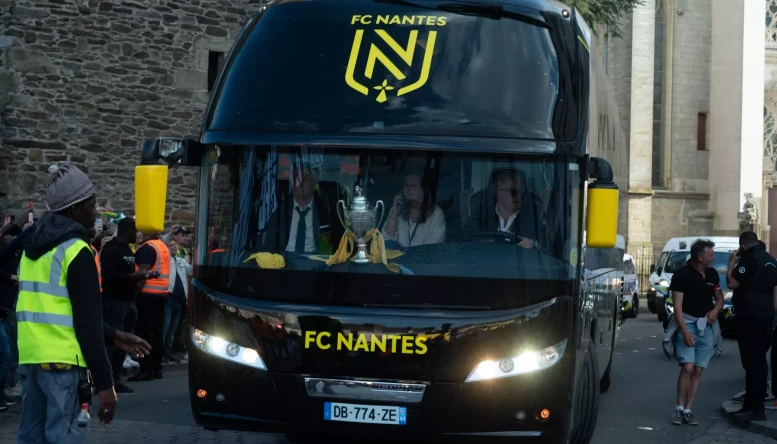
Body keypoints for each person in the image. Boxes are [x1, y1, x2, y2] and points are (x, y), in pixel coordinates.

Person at [15, 164, 115, 443]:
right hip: (63, 365)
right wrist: (106, 384)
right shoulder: (76, 251)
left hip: (31, 360)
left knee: (30, 438)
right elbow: (87, 324)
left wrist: (116, 335)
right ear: (74, 210)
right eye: (92, 205)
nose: (95, 212)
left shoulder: (31, 249)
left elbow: (56, 309)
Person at [666, 239, 724, 426]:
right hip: (688, 323)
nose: (713, 258)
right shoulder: (682, 275)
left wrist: (715, 311)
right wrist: (684, 331)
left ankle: (688, 410)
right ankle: (678, 408)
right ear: (700, 257)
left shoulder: (712, 274)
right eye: (710, 255)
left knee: (698, 370)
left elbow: (719, 298)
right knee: (687, 367)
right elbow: (677, 306)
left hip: (705, 326)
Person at [725, 231, 777, 421]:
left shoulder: (749, 259)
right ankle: (756, 404)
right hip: (767, 315)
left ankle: (754, 408)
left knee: (751, 363)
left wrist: (732, 262)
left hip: (750, 314)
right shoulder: (772, 261)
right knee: (760, 362)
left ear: (743, 246)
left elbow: (731, 283)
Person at [100, 217, 151, 393]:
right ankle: (105, 380)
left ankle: (116, 377)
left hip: (129, 301)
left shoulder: (129, 251)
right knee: (113, 341)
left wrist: (142, 277)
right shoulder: (111, 250)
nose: (137, 235)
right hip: (114, 301)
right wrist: (132, 277)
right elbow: (108, 277)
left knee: (126, 339)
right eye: (135, 231)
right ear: (128, 230)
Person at [258, 164, 343, 255]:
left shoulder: (325, 208)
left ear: (314, 183)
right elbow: (266, 244)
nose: (300, 184)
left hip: (316, 264)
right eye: (297, 178)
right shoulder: (280, 209)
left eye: (305, 179)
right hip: (284, 263)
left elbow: (338, 243)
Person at [470, 169, 543, 249]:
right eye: (513, 192)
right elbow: (463, 240)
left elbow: (547, 246)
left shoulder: (532, 218)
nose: (518, 195)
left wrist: (534, 244)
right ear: (498, 194)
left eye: (521, 191)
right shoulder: (482, 215)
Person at [129, 232, 168, 382]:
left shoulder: (147, 248)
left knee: (145, 333)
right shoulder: (161, 246)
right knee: (157, 333)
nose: (138, 234)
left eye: (140, 231)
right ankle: (157, 368)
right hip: (161, 294)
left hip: (147, 295)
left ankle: (146, 369)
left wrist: (134, 294)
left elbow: (142, 274)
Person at [382, 171, 446, 248]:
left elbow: (434, 248)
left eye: (413, 186)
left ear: (423, 190)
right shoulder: (397, 209)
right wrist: (394, 214)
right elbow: (385, 243)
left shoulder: (436, 214)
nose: (408, 189)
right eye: (406, 185)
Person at [163, 239, 192, 364]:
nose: (175, 248)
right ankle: (160, 354)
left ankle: (168, 353)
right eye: (172, 246)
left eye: (175, 246)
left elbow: (190, 270)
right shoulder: (165, 260)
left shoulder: (179, 260)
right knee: (165, 327)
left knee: (172, 329)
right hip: (168, 298)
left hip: (179, 300)